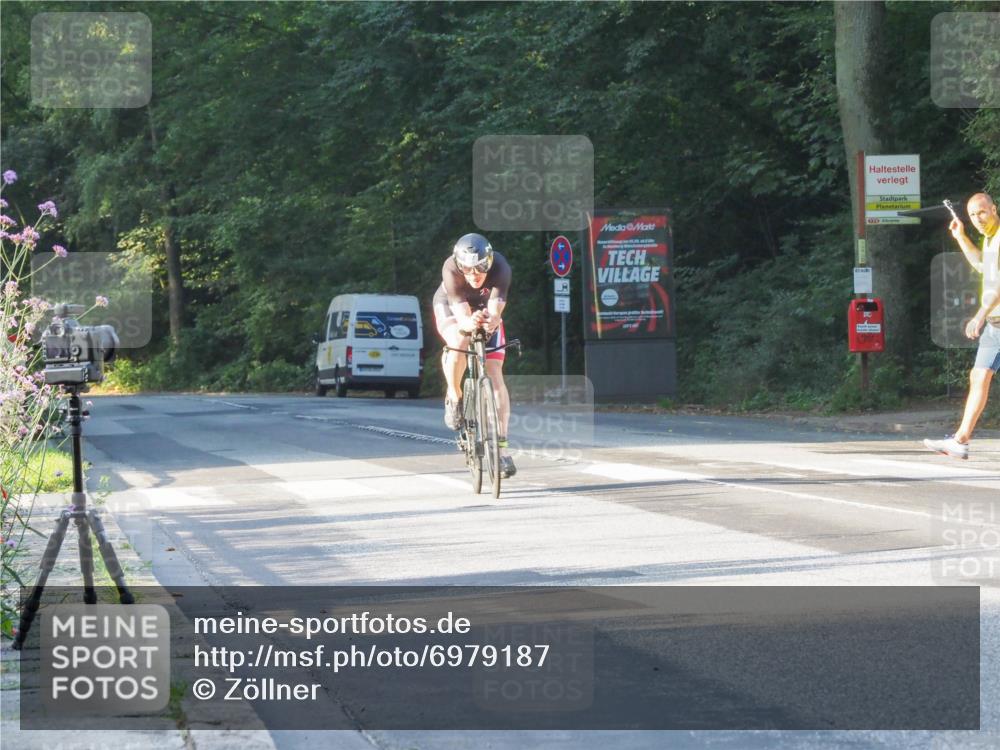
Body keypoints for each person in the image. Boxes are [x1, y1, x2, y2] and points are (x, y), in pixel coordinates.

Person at [433, 233, 516, 478]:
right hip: (452, 307)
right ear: (459, 265)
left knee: (495, 372)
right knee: (460, 338)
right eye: (467, 269)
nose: (474, 274)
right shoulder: (450, 268)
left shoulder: (501, 267)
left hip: (485, 308)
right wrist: (471, 323)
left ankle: (501, 449)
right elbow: (461, 316)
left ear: (489, 261)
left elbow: (495, 311)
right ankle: (454, 395)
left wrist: (488, 322)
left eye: (480, 267)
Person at [924, 192, 1000, 459]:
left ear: (994, 209)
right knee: (979, 376)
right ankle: (960, 440)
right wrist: (961, 237)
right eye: (973, 215)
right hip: (995, 326)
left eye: (982, 212)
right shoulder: (990, 239)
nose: (978, 219)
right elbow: (982, 265)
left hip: (993, 321)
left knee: (980, 376)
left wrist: (979, 316)